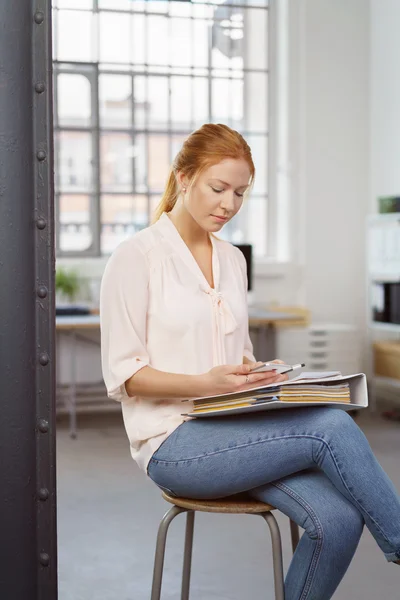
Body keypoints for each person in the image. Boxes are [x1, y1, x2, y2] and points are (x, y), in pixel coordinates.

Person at [100, 123, 400, 599]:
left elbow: (236, 358)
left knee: (338, 521)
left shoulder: (233, 260)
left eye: (240, 193)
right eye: (218, 188)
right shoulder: (136, 258)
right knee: (331, 427)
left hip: (234, 425)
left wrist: (260, 374)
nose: (229, 204)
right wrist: (208, 382)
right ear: (183, 177)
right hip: (173, 443)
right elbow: (126, 378)